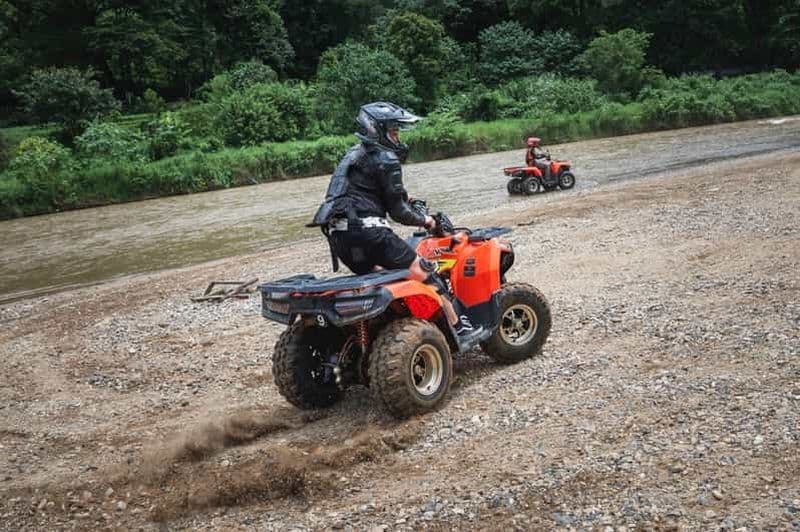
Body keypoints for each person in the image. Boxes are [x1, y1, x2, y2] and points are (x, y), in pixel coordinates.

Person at [309, 101, 482, 345]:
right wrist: (427, 220)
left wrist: (405, 198)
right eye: (393, 130)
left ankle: (386, 328)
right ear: (377, 130)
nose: (397, 136)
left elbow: (362, 193)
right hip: (371, 235)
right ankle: (459, 330)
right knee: (426, 274)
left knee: (387, 275)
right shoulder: (386, 158)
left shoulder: (352, 154)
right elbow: (398, 212)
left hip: (340, 239)